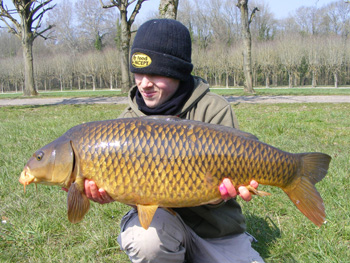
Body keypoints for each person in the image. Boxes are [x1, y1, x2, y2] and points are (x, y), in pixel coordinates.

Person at [84, 19, 264, 263]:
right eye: (138, 72)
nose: (144, 83)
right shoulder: (124, 125)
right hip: (160, 228)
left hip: (216, 232)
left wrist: (220, 194)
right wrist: (110, 193)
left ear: (177, 72)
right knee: (146, 242)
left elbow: (227, 185)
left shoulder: (213, 110)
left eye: (156, 73)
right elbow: (134, 194)